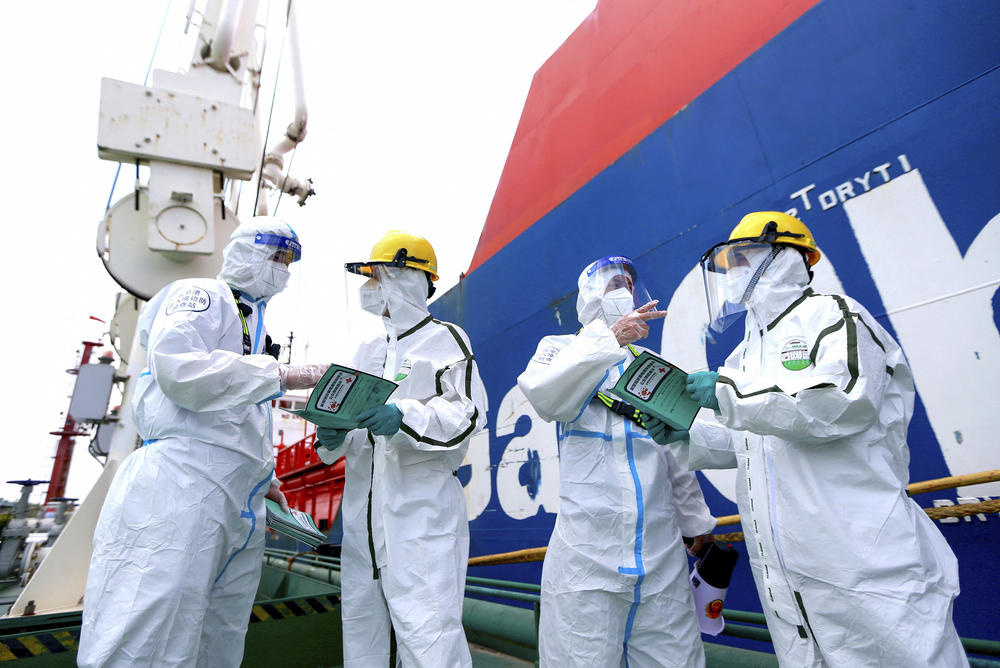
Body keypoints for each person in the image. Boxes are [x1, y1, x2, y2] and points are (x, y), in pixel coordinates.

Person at [667, 211, 968, 667]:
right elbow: (751, 438)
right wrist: (687, 436)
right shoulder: (743, 353)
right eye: (729, 265)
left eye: (743, 259)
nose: (734, 274)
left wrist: (731, 393)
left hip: (862, 558)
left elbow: (841, 404)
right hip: (789, 576)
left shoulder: (832, 316)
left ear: (785, 257)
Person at [79, 217, 328, 668]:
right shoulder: (200, 296)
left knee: (220, 629)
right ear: (244, 251)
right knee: (149, 620)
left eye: (289, 260)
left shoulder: (254, 318)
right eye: (274, 255)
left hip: (236, 495)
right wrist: (283, 373)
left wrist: (263, 476)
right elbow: (181, 371)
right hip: (182, 483)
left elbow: (235, 416)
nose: (282, 268)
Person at [517, 255, 717, 668]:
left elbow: (674, 448)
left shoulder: (650, 365)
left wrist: (697, 523)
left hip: (660, 555)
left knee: (676, 661)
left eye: (629, 284)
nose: (625, 293)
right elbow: (545, 397)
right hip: (587, 559)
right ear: (589, 296)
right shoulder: (558, 350)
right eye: (613, 286)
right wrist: (609, 341)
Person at [314, 231, 487, 668]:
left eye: (377, 277)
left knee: (429, 638)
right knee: (362, 638)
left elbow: (468, 416)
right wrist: (333, 438)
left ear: (407, 278)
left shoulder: (447, 340)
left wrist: (405, 416)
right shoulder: (367, 351)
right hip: (361, 528)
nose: (369, 289)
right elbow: (353, 423)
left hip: (420, 520)